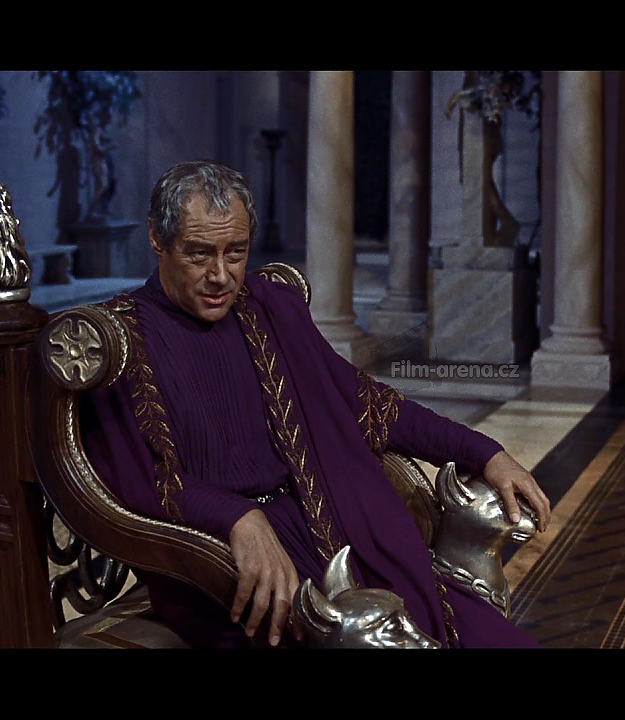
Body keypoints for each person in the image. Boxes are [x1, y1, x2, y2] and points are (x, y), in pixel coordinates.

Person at [80, 159, 551, 648]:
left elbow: (371, 406)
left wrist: (485, 453)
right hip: (224, 566)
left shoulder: (268, 308)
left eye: (235, 252)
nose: (220, 275)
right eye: (199, 254)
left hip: (340, 536)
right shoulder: (121, 341)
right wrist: (236, 516)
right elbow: (138, 482)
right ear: (157, 238)